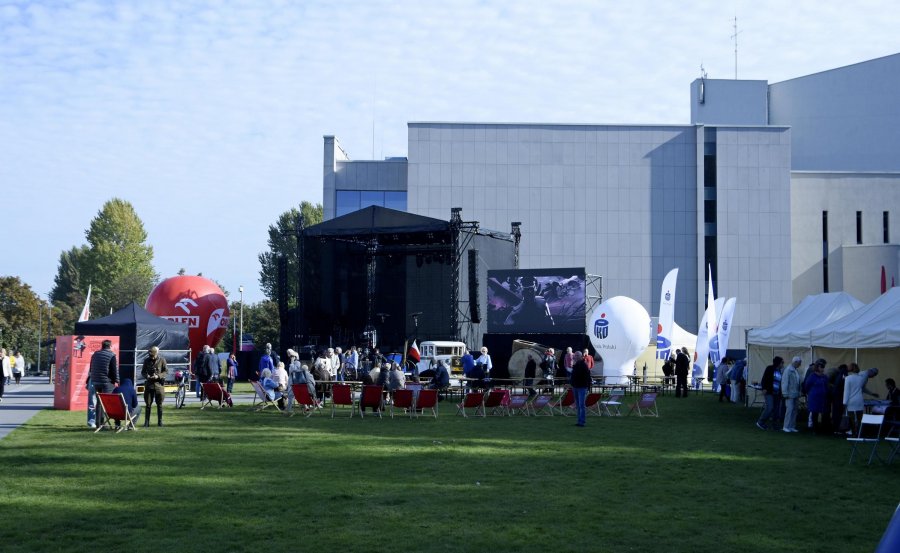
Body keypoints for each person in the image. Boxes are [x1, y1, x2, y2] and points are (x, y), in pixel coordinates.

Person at [843, 364, 879, 436]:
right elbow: (861, 388)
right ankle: (859, 433)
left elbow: (847, 392)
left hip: (851, 401)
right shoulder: (862, 377)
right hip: (859, 400)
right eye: (874, 374)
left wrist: (844, 403)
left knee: (852, 418)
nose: (873, 376)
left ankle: (854, 433)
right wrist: (871, 393)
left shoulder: (848, 378)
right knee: (859, 418)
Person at [140, 346, 167, 427]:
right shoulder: (146, 360)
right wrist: (147, 376)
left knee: (160, 404)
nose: (151, 357)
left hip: (159, 385)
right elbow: (143, 372)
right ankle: (146, 422)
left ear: (156, 353)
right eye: (150, 355)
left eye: (152, 355)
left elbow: (166, 371)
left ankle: (160, 422)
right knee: (148, 404)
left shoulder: (162, 360)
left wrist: (158, 376)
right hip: (149, 385)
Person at [756, 356, 784, 430]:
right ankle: (760, 422)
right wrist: (764, 388)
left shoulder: (780, 371)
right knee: (770, 407)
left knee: (776, 409)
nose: (783, 364)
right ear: (778, 363)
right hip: (769, 392)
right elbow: (764, 379)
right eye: (782, 362)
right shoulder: (770, 368)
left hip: (777, 393)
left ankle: (775, 425)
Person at [802, 361, 830, 434]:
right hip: (814, 398)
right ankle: (815, 429)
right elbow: (807, 385)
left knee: (824, 413)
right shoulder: (812, 376)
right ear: (817, 367)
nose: (823, 368)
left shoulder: (824, 376)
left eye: (823, 367)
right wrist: (810, 393)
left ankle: (824, 429)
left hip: (823, 398)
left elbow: (827, 385)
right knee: (815, 413)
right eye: (821, 367)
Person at [781, 356, 802, 433]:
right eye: (799, 363)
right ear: (795, 362)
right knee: (789, 410)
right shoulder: (788, 370)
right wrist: (785, 393)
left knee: (794, 410)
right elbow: (784, 382)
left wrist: (799, 391)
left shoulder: (796, 370)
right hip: (789, 394)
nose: (800, 365)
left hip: (795, 393)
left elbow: (798, 382)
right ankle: (786, 426)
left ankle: (792, 426)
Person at [570, 351, 592, 427]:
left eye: (577, 355)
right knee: (578, 405)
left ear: (580, 356)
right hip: (575, 387)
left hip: (582, 387)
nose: (575, 357)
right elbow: (573, 376)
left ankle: (582, 421)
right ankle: (579, 421)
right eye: (575, 355)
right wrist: (572, 384)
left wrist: (588, 387)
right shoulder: (576, 365)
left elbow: (587, 377)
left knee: (581, 405)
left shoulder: (583, 365)